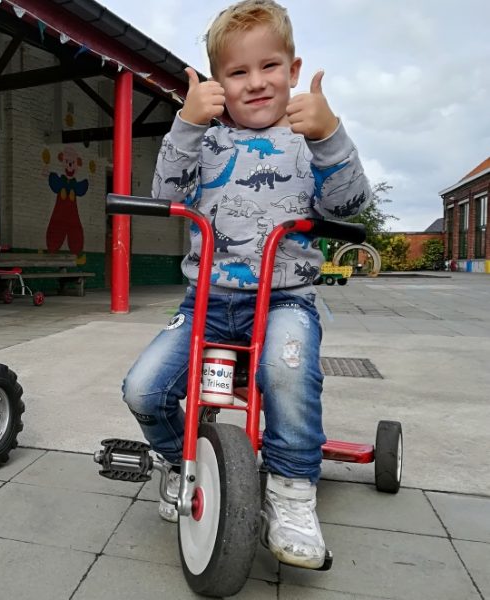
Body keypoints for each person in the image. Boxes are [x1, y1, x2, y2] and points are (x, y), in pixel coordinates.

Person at [122, 0, 372, 569]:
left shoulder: (310, 139)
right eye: (237, 72)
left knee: (286, 374)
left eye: (270, 67)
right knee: (142, 388)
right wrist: (185, 123)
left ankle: (291, 496)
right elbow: (166, 193)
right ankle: (183, 463)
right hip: (207, 302)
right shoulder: (206, 142)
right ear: (218, 83)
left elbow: (351, 203)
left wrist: (331, 134)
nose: (256, 83)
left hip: (284, 299)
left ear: (293, 67)